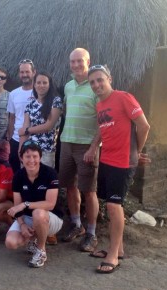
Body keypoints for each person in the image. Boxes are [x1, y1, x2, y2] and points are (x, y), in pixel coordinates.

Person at [87, 65, 150, 273]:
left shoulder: (124, 97)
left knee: (115, 207)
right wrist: (94, 147)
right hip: (107, 159)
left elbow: (143, 126)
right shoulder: (100, 105)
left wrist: (136, 152)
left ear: (109, 79)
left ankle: (113, 255)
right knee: (110, 205)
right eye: (92, 82)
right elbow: (103, 129)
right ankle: (119, 249)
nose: (96, 84)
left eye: (99, 80)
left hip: (122, 162)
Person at [59, 48, 100, 252]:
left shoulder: (96, 86)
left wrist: (94, 147)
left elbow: (103, 122)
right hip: (67, 142)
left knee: (89, 190)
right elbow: (67, 111)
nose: (75, 65)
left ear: (88, 61)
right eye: (72, 61)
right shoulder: (68, 86)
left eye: (79, 61)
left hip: (86, 146)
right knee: (69, 186)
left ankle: (92, 233)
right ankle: (77, 225)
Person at [5, 141, 63, 268]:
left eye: (35, 156)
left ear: (40, 157)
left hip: (50, 218)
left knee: (38, 212)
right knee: (11, 243)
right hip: (27, 218)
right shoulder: (18, 176)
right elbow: (17, 206)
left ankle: (41, 250)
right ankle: (33, 240)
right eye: (27, 156)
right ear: (21, 158)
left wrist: (25, 204)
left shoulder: (50, 173)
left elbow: (50, 204)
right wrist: (22, 224)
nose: (31, 160)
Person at [19, 71, 63, 168]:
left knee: (45, 181)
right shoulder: (30, 105)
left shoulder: (56, 101)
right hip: (29, 150)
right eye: (38, 82)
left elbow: (48, 126)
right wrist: (20, 150)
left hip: (46, 151)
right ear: (34, 84)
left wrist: (27, 130)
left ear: (49, 84)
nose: (41, 85)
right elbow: (24, 129)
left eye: (44, 82)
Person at [6, 59, 36, 172]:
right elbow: (12, 118)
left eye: (27, 72)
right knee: (16, 172)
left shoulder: (39, 92)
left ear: (34, 72)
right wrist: (9, 138)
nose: (24, 75)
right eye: (22, 72)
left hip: (34, 138)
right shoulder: (13, 94)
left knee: (32, 171)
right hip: (16, 139)